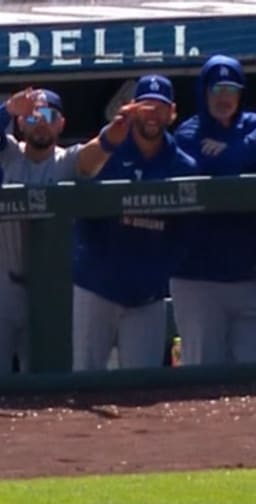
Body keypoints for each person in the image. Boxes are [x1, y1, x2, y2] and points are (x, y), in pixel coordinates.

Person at [0, 88, 112, 376]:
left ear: (61, 123)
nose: (41, 122)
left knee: (46, 384)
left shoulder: (67, 160)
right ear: (21, 123)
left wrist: (117, 129)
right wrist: (7, 110)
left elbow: (96, 153)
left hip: (48, 289)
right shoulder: (6, 153)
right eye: (33, 117)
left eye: (49, 115)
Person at [74, 75, 198, 371]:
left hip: (147, 296)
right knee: (82, 380)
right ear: (131, 109)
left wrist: (157, 274)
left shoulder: (183, 165)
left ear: (172, 113)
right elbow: (80, 197)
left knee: (143, 389)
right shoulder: (109, 152)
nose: (152, 115)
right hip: (96, 289)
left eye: (160, 108)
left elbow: (185, 236)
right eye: (146, 107)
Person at [169, 56, 256, 366]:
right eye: (216, 88)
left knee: (249, 380)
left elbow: (228, 160)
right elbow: (219, 168)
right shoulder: (188, 133)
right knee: (202, 378)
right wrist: (241, 154)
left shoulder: (251, 125)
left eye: (230, 88)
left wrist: (236, 149)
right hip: (198, 278)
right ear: (204, 92)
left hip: (249, 278)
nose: (223, 96)